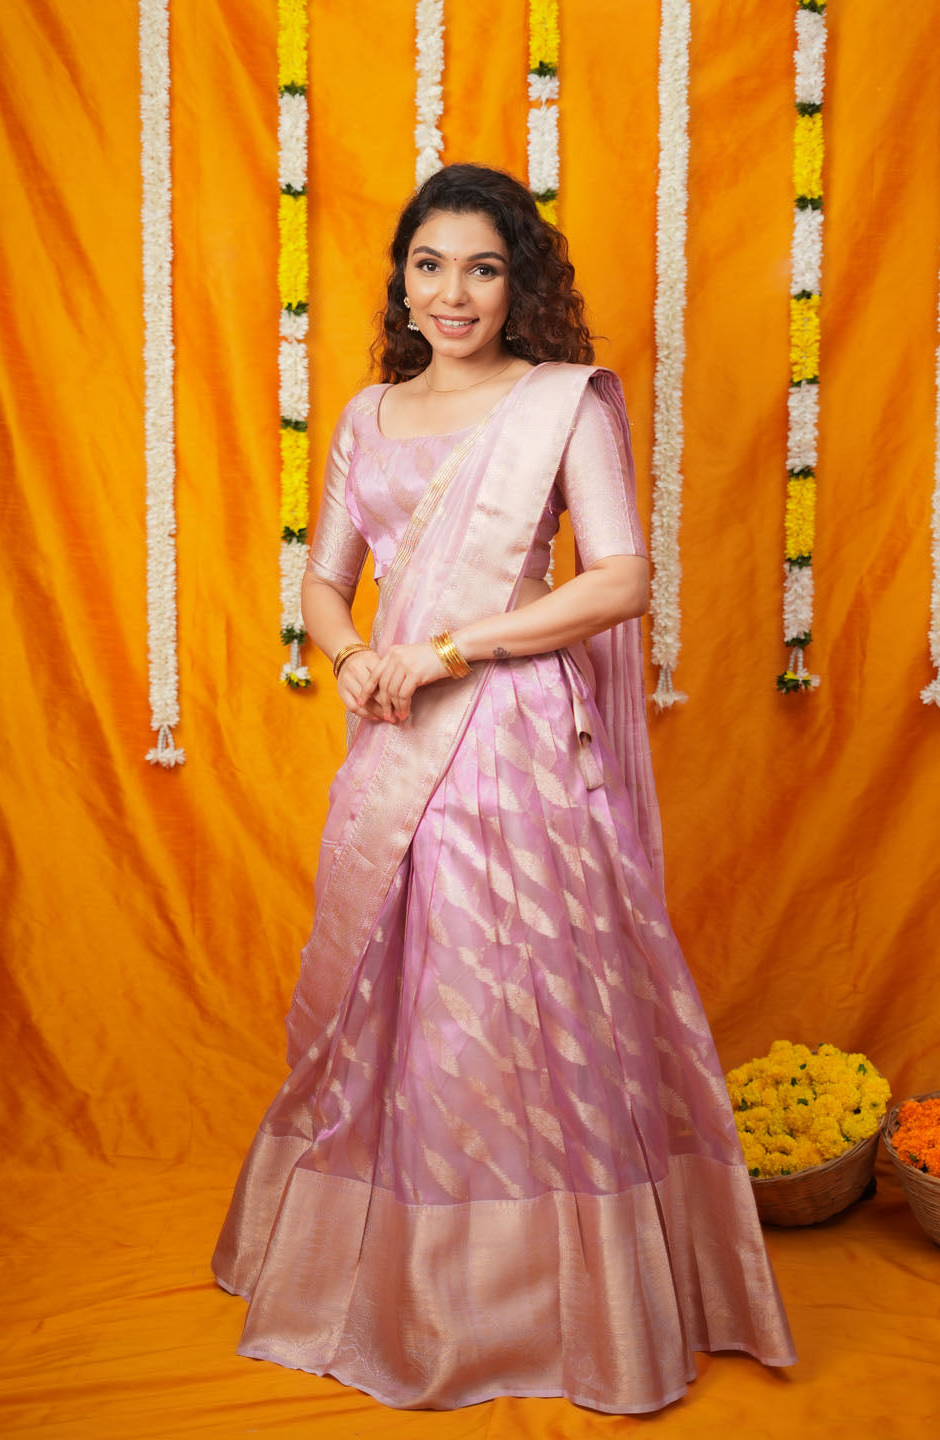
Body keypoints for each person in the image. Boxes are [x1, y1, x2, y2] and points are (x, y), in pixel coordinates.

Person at [211, 162, 797, 1414]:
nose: (454, 293)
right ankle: (412, 1279)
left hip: (514, 734)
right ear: (403, 281)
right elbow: (324, 581)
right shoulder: (368, 415)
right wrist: (354, 656)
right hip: (394, 732)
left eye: (483, 267)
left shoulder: (556, 403)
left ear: (516, 281)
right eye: (430, 265)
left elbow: (620, 580)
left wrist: (450, 649)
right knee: (397, 990)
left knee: (511, 995)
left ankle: (553, 1298)